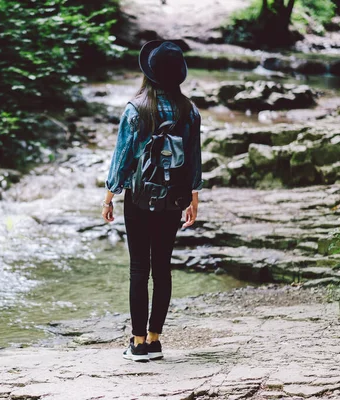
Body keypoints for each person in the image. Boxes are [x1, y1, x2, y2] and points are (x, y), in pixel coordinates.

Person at [101, 40, 203, 362]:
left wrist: (109, 196)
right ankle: (156, 339)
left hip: (140, 198)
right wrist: (194, 197)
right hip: (174, 198)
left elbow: (122, 158)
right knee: (162, 268)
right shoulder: (190, 111)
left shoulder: (136, 109)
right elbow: (194, 160)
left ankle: (138, 342)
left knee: (138, 269)